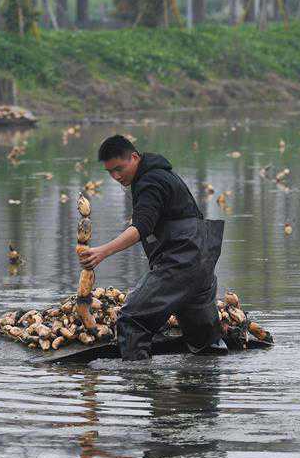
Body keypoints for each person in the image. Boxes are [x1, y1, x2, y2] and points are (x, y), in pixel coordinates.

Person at [78, 135, 226, 361]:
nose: (116, 176)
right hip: (201, 263)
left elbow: (141, 228)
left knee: (132, 319)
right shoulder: (162, 174)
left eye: (119, 168)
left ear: (134, 157)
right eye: (110, 172)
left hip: (180, 263)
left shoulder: (149, 181)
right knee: (205, 341)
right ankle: (204, 389)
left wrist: (103, 251)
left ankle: (141, 383)